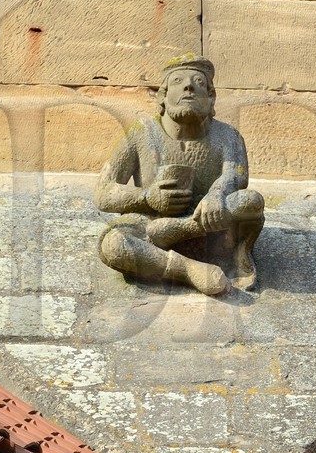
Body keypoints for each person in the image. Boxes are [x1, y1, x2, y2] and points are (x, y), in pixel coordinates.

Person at [96, 55, 264, 297]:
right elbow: (104, 193)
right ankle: (188, 270)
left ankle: (186, 231)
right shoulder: (140, 133)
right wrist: (147, 196)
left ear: (211, 97)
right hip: (150, 225)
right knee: (114, 244)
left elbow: (235, 176)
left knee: (251, 202)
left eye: (198, 81)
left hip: (209, 224)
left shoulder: (229, 136)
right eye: (178, 81)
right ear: (162, 96)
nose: (189, 86)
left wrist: (216, 194)